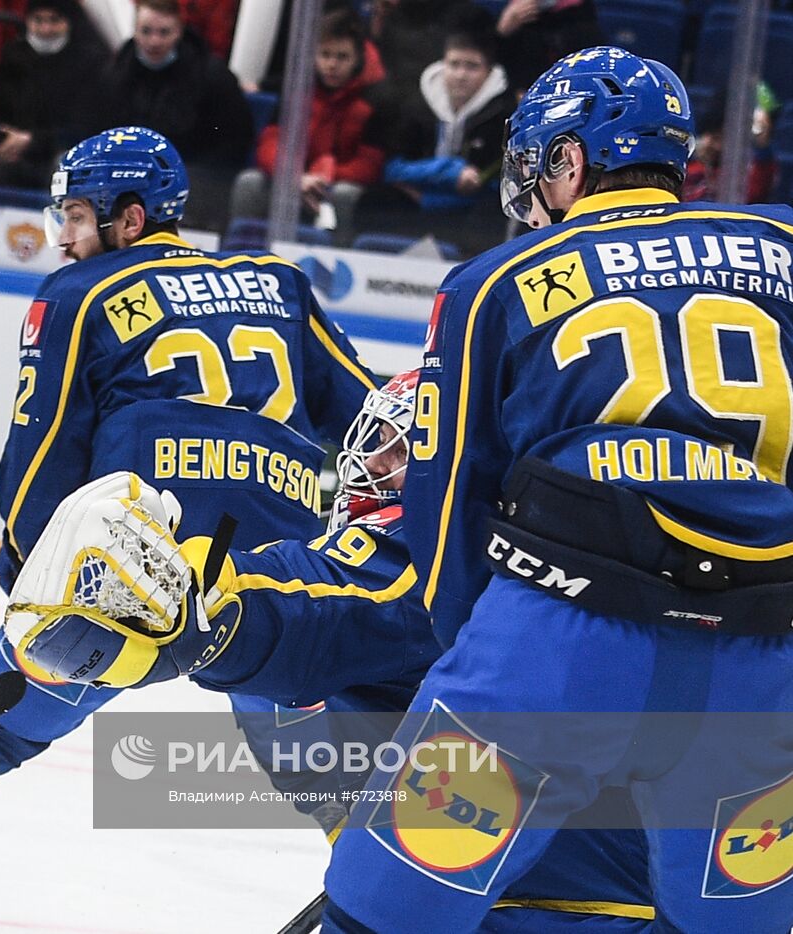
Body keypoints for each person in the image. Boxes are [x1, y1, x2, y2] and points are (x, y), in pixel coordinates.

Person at [0, 126, 380, 934]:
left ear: (129, 218)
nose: (62, 234)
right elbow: (380, 425)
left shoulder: (80, 294)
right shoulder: (279, 281)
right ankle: (405, 898)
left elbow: (38, 454)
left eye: (74, 213)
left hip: (135, 565)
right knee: (330, 763)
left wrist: (30, 577)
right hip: (279, 568)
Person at [319, 46, 793, 931]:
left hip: (559, 637)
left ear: (573, 159)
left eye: (540, 162)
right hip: (761, 643)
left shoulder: (492, 282)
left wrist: (476, 664)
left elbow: (450, 496)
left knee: (380, 910)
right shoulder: (783, 246)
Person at [2, 371, 656, 932]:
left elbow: (319, 605)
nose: (369, 465)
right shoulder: (593, 547)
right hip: (642, 886)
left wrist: (212, 604)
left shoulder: (435, 544)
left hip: (514, 899)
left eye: (398, 451)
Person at [94, 0, 256, 230]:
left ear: (179, 31)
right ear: (135, 30)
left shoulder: (212, 76)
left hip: (194, 180)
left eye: (164, 32)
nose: (154, 41)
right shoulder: (115, 73)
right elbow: (98, 134)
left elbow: (234, 144)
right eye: (146, 31)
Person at [231, 8, 389, 239]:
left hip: (334, 186)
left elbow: (369, 165)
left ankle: (341, 263)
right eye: (325, 55)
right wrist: (294, 176)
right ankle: (241, 252)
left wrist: (323, 177)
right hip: (293, 180)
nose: (332, 64)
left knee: (347, 195)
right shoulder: (297, 90)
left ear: (358, 59)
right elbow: (270, 143)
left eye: (342, 57)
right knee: (250, 183)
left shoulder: (372, 102)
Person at [362, 20, 510, 256]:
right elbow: (392, 169)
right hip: (419, 201)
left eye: (472, 66)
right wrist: (449, 171)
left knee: (489, 214)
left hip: (465, 210)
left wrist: (430, 197)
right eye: (454, 64)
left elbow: (499, 185)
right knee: (376, 200)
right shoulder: (416, 105)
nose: (461, 74)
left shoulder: (503, 114)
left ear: (490, 72)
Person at [0, 0, 107, 190]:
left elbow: (83, 128)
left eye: (54, 20)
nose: (45, 29)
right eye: (38, 20)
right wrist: (3, 142)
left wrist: (32, 142)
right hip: (15, 151)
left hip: (54, 152)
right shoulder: (13, 55)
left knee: (65, 165)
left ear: (68, 22)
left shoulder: (89, 63)